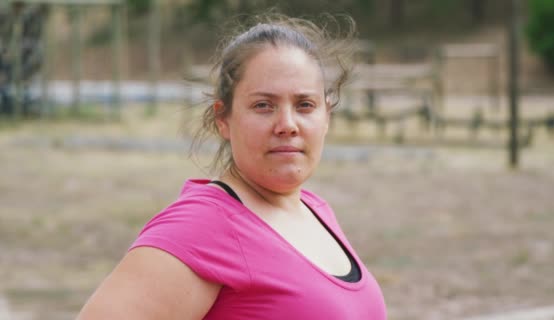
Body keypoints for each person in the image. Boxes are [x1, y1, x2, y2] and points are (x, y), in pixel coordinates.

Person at [77, 14, 386, 320]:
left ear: (327, 116)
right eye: (263, 105)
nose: (287, 124)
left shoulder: (314, 209)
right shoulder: (202, 225)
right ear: (223, 118)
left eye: (305, 105)